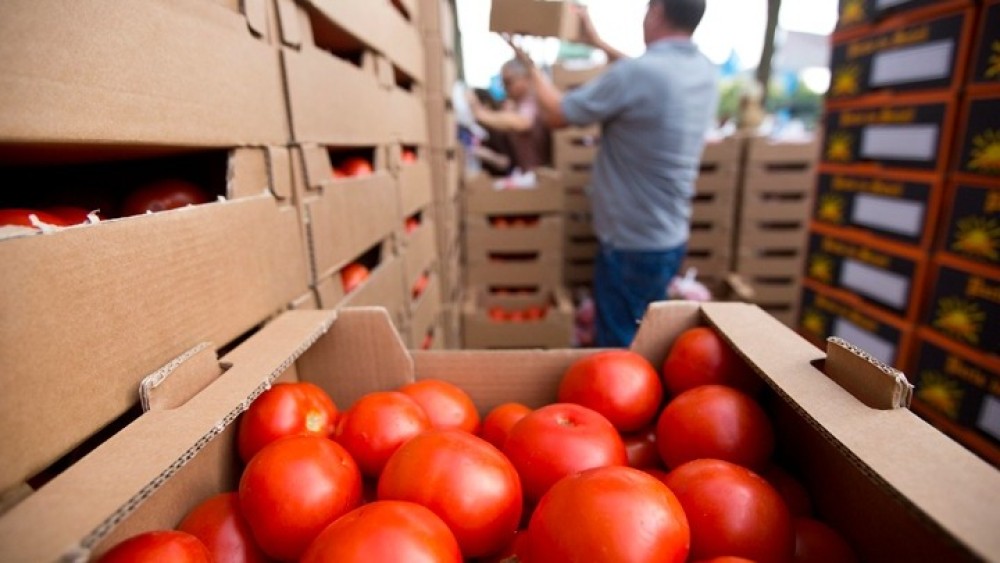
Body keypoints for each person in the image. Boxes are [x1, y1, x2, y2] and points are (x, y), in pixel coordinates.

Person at [506, 0, 719, 347]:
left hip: (631, 241)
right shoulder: (703, 71)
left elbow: (559, 114)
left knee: (620, 348)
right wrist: (597, 43)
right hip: (670, 233)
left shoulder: (639, 74)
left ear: (656, 12)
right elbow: (648, 76)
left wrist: (529, 65)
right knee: (649, 338)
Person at [467, 59, 552, 172]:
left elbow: (523, 122)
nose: (505, 88)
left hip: (540, 176)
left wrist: (480, 114)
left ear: (526, 78)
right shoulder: (517, 104)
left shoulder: (533, 100)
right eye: (503, 83)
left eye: (508, 82)